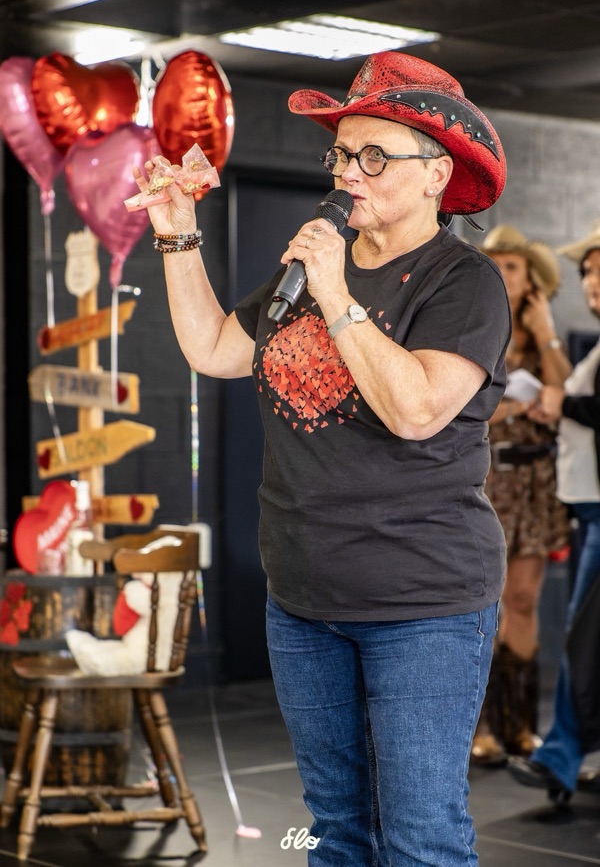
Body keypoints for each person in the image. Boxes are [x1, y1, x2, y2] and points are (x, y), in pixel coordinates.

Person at [133, 51, 511, 865]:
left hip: (423, 603)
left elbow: (415, 409)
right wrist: (178, 237)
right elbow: (214, 349)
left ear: (436, 174)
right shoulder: (304, 271)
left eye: (375, 156)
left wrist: (338, 293)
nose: (351, 172)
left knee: (420, 837)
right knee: (336, 831)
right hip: (303, 599)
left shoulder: (462, 283)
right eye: (342, 154)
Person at [470, 225, 572, 767]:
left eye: (514, 266)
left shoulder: (537, 333)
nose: (505, 274)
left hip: (537, 484)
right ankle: (478, 727)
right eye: (499, 264)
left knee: (525, 602)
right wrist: (513, 408)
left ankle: (521, 727)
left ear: (532, 280)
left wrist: (546, 329)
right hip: (489, 478)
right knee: (481, 602)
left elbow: (568, 389)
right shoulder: (477, 324)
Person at [507, 220, 600, 801]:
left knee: (583, 636)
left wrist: (560, 401)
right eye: (588, 272)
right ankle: (558, 752)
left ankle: (560, 754)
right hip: (586, 505)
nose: (591, 281)